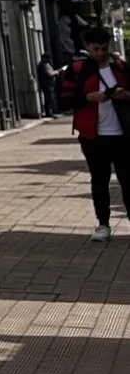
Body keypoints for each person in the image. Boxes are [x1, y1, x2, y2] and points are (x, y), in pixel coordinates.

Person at [58, 29, 130, 242]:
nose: (101, 53)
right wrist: (87, 97)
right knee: (100, 180)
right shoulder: (78, 70)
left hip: (123, 134)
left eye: (104, 48)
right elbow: (65, 99)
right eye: (96, 49)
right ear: (87, 47)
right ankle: (103, 224)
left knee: (128, 180)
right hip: (93, 135)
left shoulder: (121, 68)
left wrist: (127, 95)